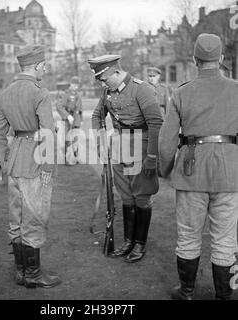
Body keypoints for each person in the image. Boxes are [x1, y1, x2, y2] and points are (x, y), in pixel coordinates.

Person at [159, 33, 238, 300]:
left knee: (189, 236)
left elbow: (167, 140)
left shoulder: (181, 92)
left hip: (191, 172)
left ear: (195, 60)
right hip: (230, 173)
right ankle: (223, 296)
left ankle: (187, 291)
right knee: (225, 239)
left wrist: (165, 169)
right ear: (222, 59)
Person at [0, 45, 61, 289]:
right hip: (36, 160)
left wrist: (4, 158)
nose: (46, 68)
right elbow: (48, 133)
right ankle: (33, 274)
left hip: (15, 158)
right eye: (44, 65)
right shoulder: (40, 92)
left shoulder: (6, 92)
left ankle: (21, 272)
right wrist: (49, 169)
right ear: (38, 66)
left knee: (16, 217)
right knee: (34, 216)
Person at [89, 54, 163, 263]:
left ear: (115, 71)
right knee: (126, 196)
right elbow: (97, 116)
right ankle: (128, 241)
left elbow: (156, 123)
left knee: (142, 196)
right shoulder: (108, 92)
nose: (102, 83)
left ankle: (139, 243)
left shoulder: (142, 89)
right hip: (119, 147)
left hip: (141, 146)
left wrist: (151, 156)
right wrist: (100, 140)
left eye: (103, 78)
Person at [56, 76, 83, 165]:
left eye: (77, 85)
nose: (76, 87)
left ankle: (76, 158)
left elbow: (80, 108)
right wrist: (67, 116)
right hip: (68, 119)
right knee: (67, 139)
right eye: (75, 84)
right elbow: (59, 106)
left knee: (75, 139)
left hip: (76, 119)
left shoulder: (78, 95)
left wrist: (80, 119)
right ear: (71, 84)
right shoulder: (65, 94)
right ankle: (66, 159)